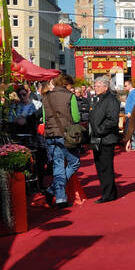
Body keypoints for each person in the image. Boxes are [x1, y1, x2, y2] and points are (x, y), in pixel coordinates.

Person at [40, 74, 82, 209]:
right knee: (74, 162)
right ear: (66, 84)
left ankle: (60, 198)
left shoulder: (46, 97)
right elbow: (76, 118)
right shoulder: (70, 96)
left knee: (58, 165)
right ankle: (52, 190)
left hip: (50, 134)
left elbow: (45, 118)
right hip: (65, 134)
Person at [88, 75, 121, 203]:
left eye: (98, 86)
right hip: (97, 138)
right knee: (100, 166)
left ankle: (108, 194)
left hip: (106, 138)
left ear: (105, 87)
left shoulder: (111, 100)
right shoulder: (97, 99)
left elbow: (113, 120)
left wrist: (100, 130)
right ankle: (108, 192)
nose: (95, 88)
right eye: (95, 85)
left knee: (105, 167)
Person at [123, 82, 135, 151]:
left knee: (133, 130)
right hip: (129, 114)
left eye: (126, 85)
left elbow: (134, 103)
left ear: (130, 85)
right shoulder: (131, 92)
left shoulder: (134, 92)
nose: (125, 87)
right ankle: (134, 145)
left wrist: (130, 112)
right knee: (132, 130)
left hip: (131, 114)